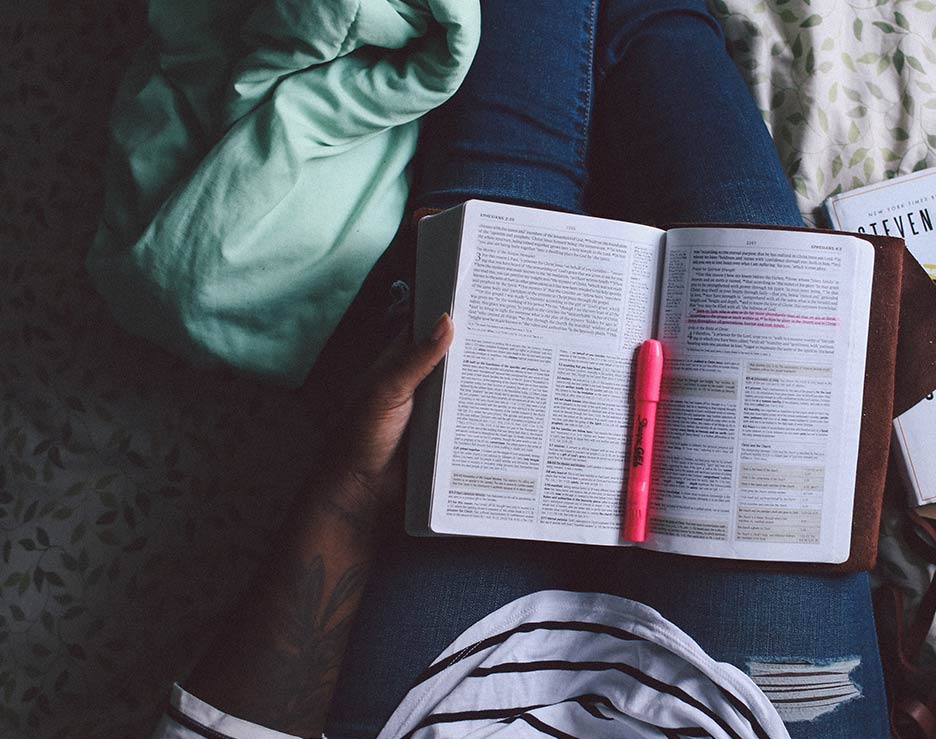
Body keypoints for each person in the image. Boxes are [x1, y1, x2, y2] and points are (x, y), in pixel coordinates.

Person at [154, 1, 889, 737]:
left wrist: (352, 483)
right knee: (724, 195)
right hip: (751, 715)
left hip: (445, 703)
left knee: (503, 193)